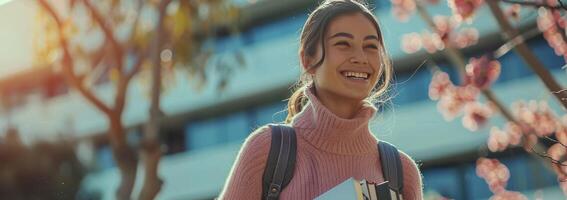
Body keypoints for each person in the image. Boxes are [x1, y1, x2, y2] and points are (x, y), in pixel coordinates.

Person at [219, 0, 423, 199]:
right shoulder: (267, 149)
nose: (360, 58)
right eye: (343, 43)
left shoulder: (402, 172)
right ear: (307, 61)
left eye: (370, 46)